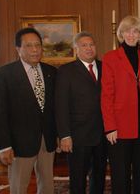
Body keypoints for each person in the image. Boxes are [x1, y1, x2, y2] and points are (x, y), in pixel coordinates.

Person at [0, 27, 57, 194]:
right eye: (28, 45)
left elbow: (55, 108)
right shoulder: (3, 74)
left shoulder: (52, 72)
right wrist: (4, 146)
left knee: (47, 185)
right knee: (19, 187)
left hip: (46, 140)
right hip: (19, 143)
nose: (34, 49)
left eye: (37, 45)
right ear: (18, 49)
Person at [101, 16, 140, 194]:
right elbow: (106, 95)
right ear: (121, 34)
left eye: (135, 31)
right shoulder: (110, 58)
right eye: (127, 31)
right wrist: (110, 127)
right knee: (121, 177)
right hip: (120, 128)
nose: (131, 34)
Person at [55, 31, 107, 193]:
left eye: (91, 44)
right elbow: (60, 105)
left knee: (99, 178)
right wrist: (64, 135)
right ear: (76, 49)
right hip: (78, 137)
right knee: (78, 180)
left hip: (102, 135)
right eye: (84, 45)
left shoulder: (105, 67)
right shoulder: (66, 71)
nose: (89, 48)